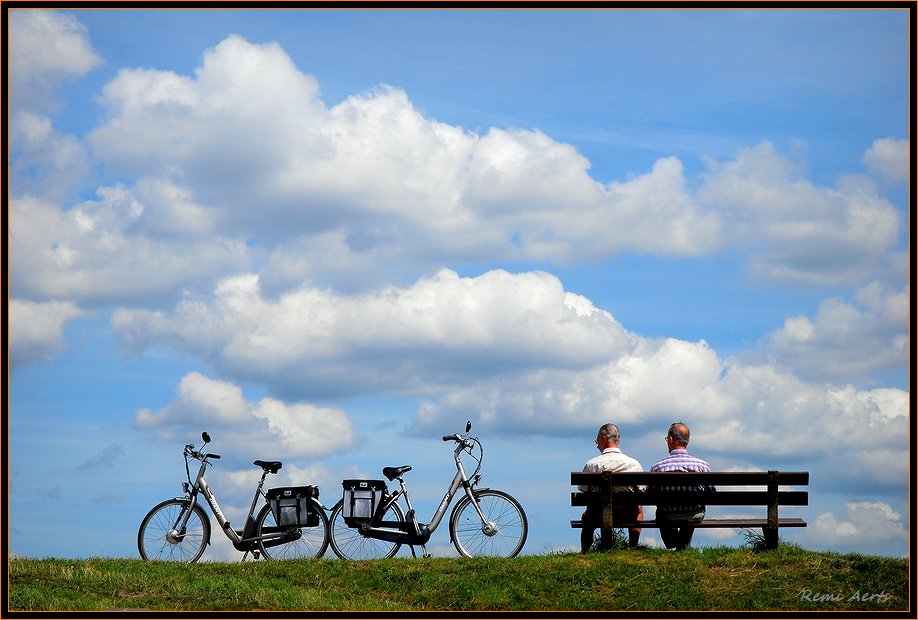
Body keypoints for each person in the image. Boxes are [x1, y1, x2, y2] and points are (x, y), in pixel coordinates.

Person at [578, 423, 644, 552]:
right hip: (627, 514)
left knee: (587, 514)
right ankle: (633, 546)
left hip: (597, 514)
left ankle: (585, 551)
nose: (597, 445)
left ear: (603, 439)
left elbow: (583, 489)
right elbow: (642, 489)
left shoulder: (592, 464)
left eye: (597, 441)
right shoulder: (633, 463)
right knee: (639, 509)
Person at [650, 422, 714, 550]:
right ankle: (683, 545)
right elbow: (711, 493)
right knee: (695, 509)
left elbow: (651, 494)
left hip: (668, 515)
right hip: (694, 514)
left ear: (671, 439)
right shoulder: (702, 466)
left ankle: (674, 542)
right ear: (687, 441)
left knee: (660, 512)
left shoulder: (657, 467)